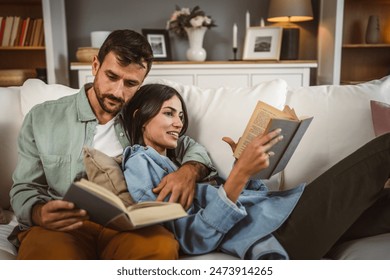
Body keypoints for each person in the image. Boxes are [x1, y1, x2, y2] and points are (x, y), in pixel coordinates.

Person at [121, 83, 390, 260]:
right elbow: (190, 238)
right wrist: (239, 174)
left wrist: (243, 169)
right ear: (139, 117)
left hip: (280, 215)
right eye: (169, 113)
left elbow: (236, 200)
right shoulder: (139, 162)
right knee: (384, 148)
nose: (179, 123)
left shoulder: (183, 159)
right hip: (278, 232)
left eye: (181, 116)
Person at [9, 29, 215, 260]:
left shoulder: (141, 116)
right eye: (112, 77)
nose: (118, 92)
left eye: (130, 83)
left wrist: (189, 171)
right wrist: (38, 213)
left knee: (160, 248)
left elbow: (189, 146)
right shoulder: (43, 118)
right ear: (95, 66)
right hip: (64, 226)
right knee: (45, 257)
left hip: (127, 227)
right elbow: (24, 187)